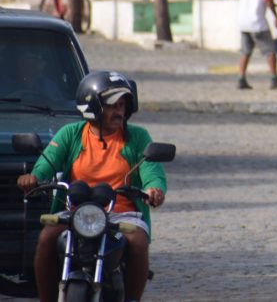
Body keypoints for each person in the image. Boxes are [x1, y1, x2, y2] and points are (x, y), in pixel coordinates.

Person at [17, 72, 166, 302]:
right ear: (92, 107)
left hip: (120, 213)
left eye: (122, 105)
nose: (119, 111)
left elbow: (152, 171)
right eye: (111, 106)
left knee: (137, 241)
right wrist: (34, 178)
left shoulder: (137, 136)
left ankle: (132, 299)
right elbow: (48, 161)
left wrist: (154, 190)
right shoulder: (71, 133)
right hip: (75, 211)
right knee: (46, 238)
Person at [227, 0, 277, 89]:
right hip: (257, 23)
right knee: (270, 51)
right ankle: (274, 79)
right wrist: (276, 17)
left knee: (245, 52)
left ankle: (241, 79)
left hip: (243, 22)